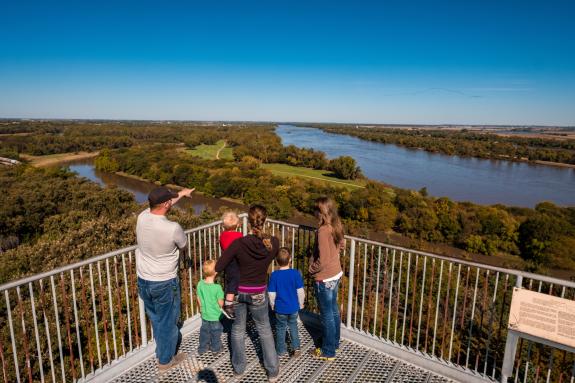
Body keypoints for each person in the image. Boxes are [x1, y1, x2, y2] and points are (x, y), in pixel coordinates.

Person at [215, 205, 280, 382]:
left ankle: (238, 370)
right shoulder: (274, 243)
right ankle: (272, 371)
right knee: (265, 329)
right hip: (258, 293)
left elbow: (219, 266)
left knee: (237, 330)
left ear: (248, 221)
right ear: (264, 220)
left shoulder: (238, 244)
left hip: (238, 292)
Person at [136, 186, 194, 372]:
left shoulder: (142, 216)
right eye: (170, 200)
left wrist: (181, 195)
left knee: (157, 320)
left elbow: (163, 205)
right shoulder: (172, 228)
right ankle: (165, 360)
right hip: (165, 282)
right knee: (168, 322)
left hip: (144, 280)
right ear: (166, 203)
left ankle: (164, 352)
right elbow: (183, 245)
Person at [308, 197, 344, 361]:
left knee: (327, 315)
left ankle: (328, 351)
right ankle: (334, 342)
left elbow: (322, 259)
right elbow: (342, 245)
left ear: (320, 213)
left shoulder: (323, 231)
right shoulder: (336, 224)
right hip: (336, 273)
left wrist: (311, 269)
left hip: (325, 277)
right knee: (333, 310)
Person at [268, 247, 305, 357]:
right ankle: (296, 347)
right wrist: (301, 303)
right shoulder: (295, 273)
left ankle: (280, 351)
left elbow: (271, 294)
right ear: (290, 260)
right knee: (293, 326)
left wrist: (272, 305)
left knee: (280, 328)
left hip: (280, 308)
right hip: (293, 307)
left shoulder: (274, 275)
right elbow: (300, 292)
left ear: (276, 261)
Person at [196, 259, 224, 354]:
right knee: (216, 332)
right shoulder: (217, 288)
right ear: (216, 272)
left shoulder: (200, 284)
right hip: (215, 315)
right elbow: (221, 303)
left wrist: (201, 308)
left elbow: (198, 298)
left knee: (204, 331)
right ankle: (216, 348)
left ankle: (202, 348)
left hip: (205, 314)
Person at [219, 211, 243, 319]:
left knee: (231, 279)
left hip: (227, 261)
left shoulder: (222, 235)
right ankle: (228, 304)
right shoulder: (239, 235)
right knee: (235, 280)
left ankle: (231, 296)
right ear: (238, 225)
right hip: (235, 261)